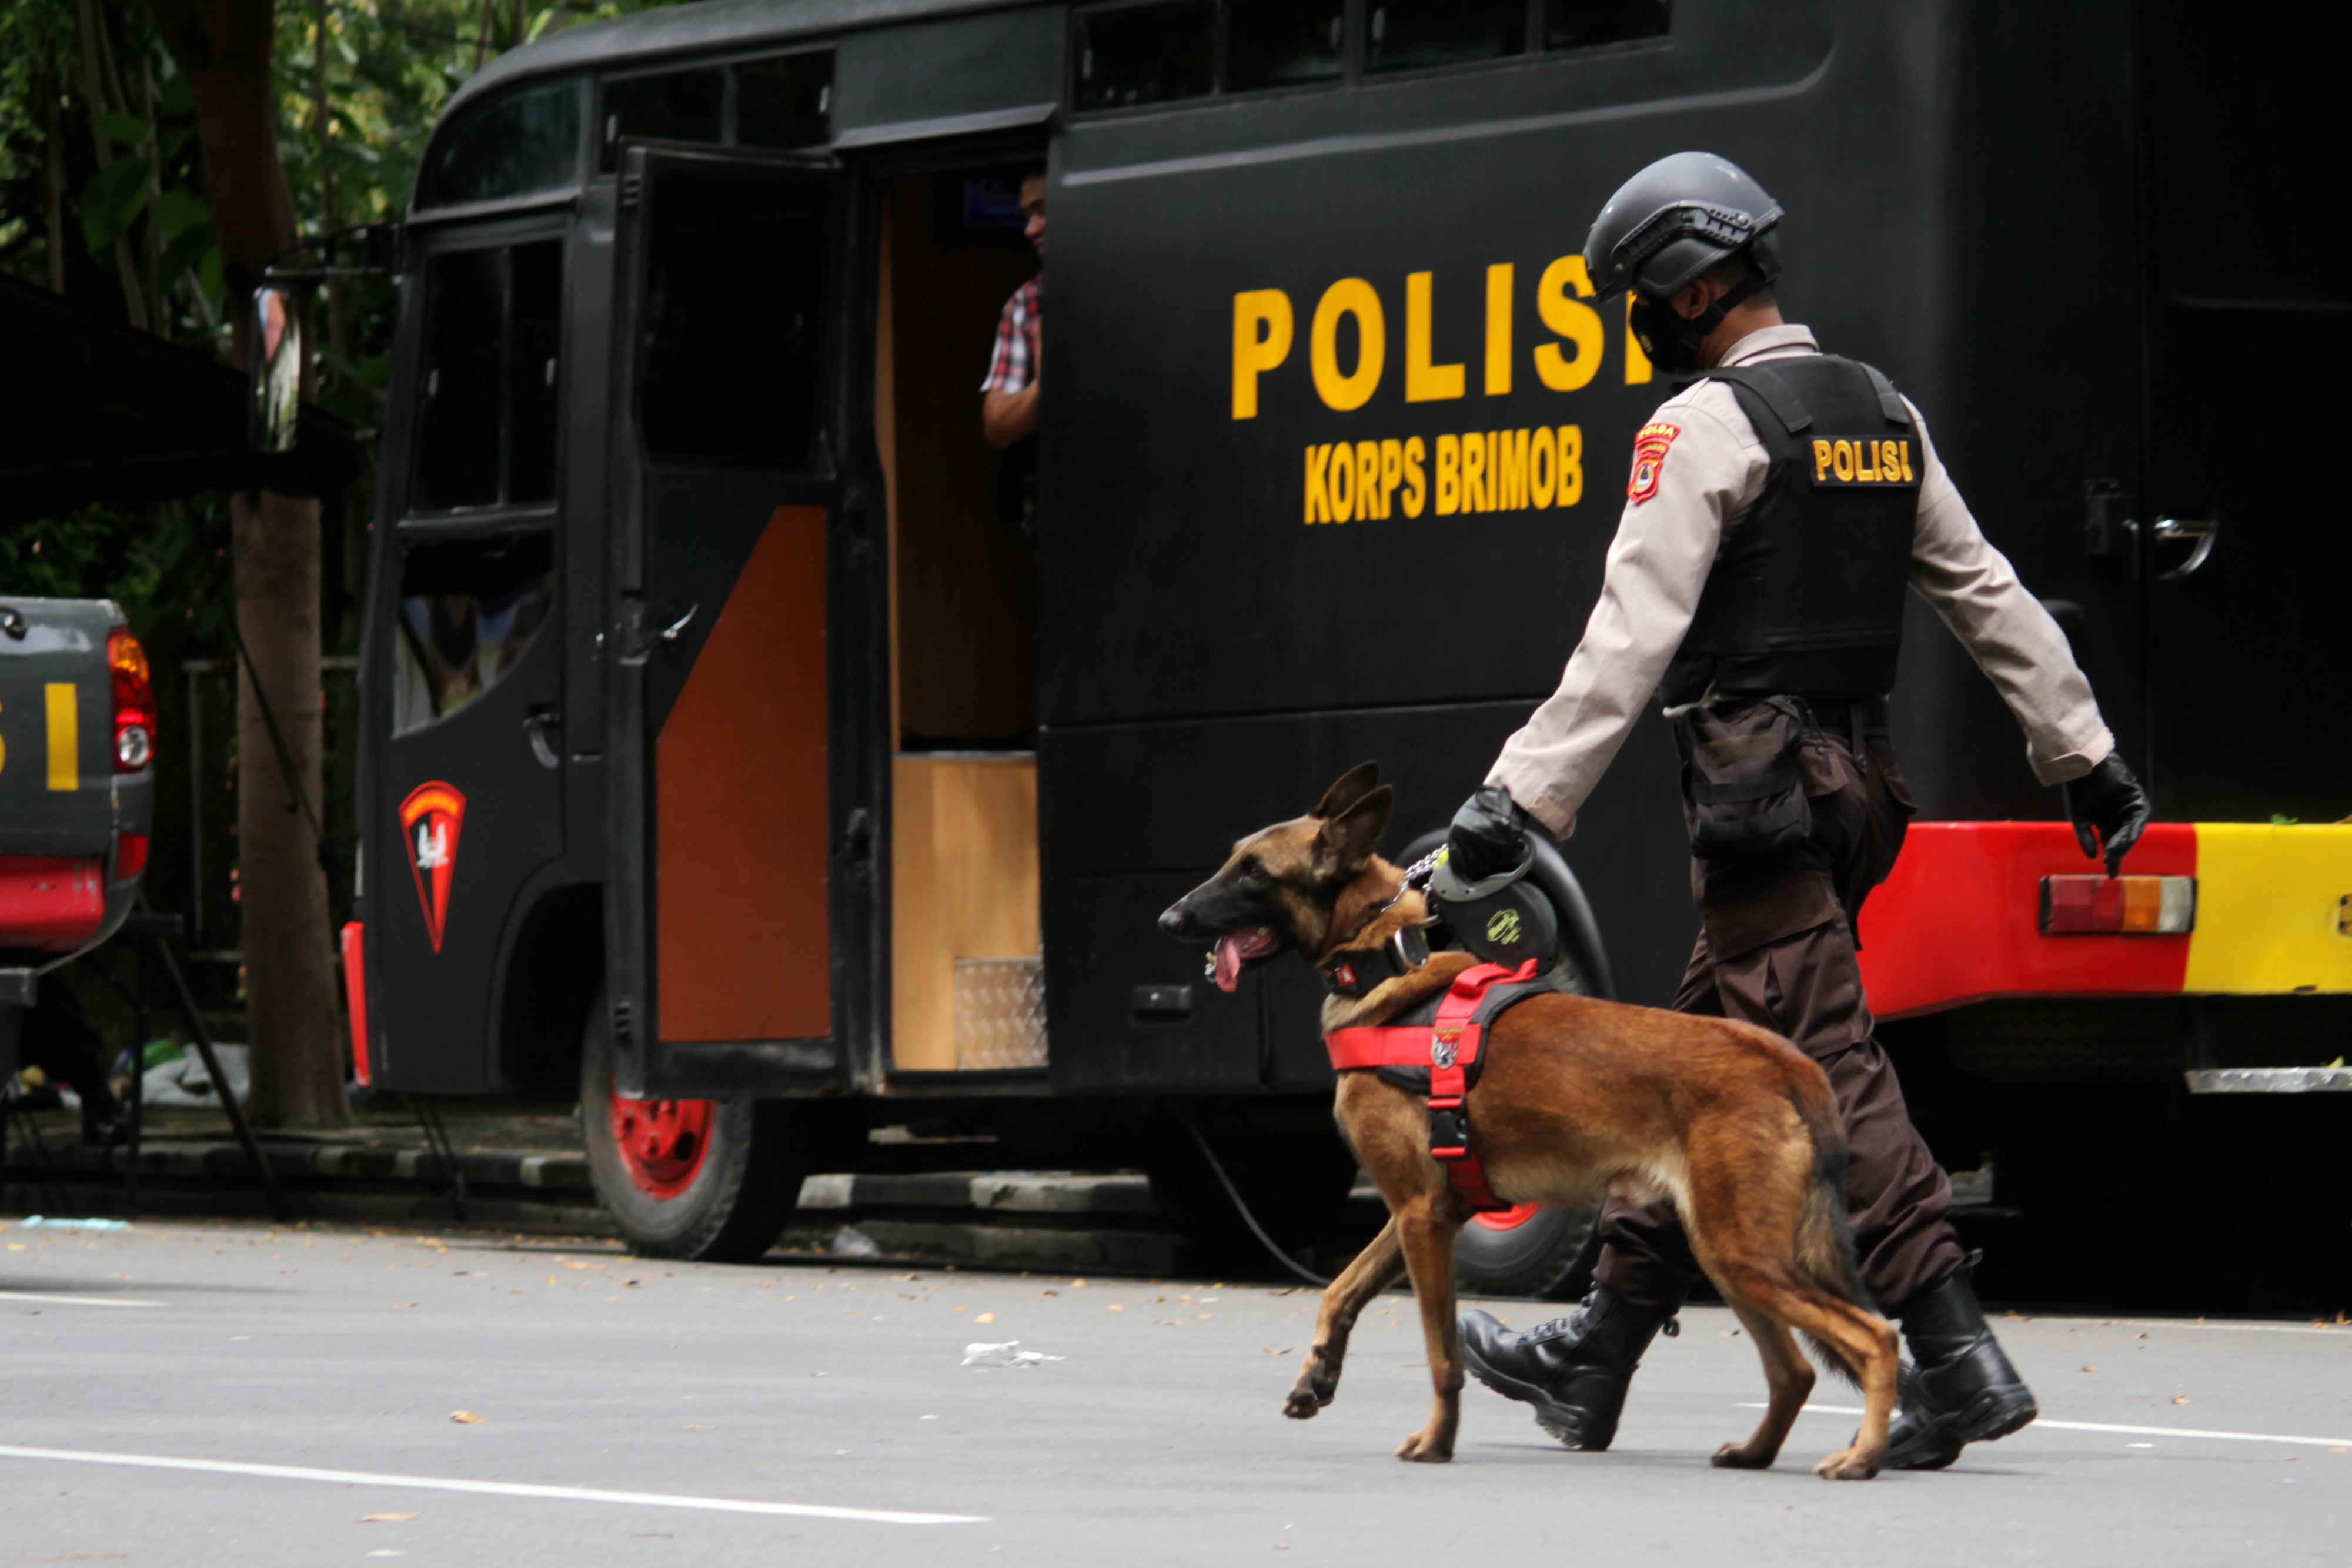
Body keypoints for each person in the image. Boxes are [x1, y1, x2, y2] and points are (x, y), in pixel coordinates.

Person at [1441, 151, 2150, 1472]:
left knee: (1826, 1064)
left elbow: (1625, 642)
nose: (1636, 329)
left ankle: (1952, 1347)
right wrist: (2084, 756)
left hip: (1755, 794)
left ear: (1691, 283)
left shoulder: (1703, 427)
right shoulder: (1881, 410)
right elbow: (1985, 593)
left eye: (1637, 301)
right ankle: (1597, 1351)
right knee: (1700, 1056)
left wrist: (1512, 800)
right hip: (1856, 786)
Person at [980, 165, 1047, 452]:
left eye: (1042, 211)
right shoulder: (1027, 303)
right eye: (1027, 216)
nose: (1030, 230)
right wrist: (1042, 389)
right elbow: (996, 426)